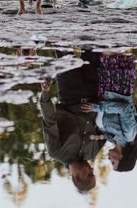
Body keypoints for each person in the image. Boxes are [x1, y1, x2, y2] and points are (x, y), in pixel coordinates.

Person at [39, 50, 106, 192]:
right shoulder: (93, 152)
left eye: (89, 173)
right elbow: (106, 127)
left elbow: (50, 121)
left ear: (76, 177)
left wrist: (45, 95)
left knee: (63, 49)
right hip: (94, 90)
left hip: (70, 92)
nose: (91, 168)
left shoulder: (56, 152)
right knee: (93, 47)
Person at [81, 53, 137, 172]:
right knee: (112, 46)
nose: (109, 159)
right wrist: (97, 108)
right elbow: (124, 109)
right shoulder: (129, 135)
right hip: (118, 83)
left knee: (104, 47)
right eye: (113, 162)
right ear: (122, 157)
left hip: (106, 86)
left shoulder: (111, 138)